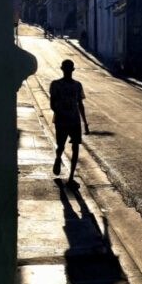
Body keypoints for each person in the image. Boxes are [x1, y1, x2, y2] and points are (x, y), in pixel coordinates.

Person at [50, 59, 89, 189]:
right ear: (72, 69)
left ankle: (69, 174)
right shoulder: (75, 85)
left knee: (66, 146)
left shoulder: (57, 84)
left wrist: (60, 112)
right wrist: (85, 122)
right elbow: (80, 105)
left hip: (66, 120)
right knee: (70, 148)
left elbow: (52, 104)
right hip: (70, 120)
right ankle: (68, 173)